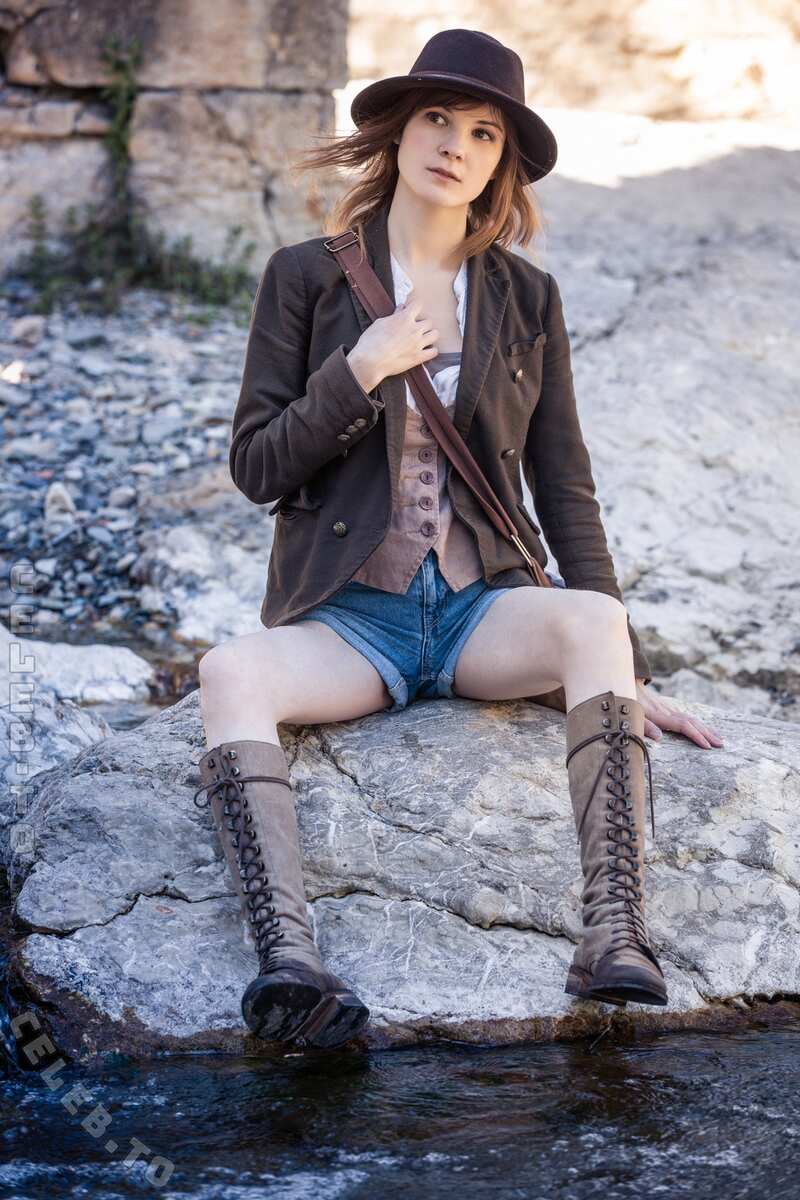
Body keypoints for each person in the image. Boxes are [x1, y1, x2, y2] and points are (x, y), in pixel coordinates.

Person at [193, 29, 724, 1050]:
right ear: (398, 133)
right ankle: (289, 965)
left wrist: (622, 674)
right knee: (229, 672)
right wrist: (360, 368)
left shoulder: (527, 297)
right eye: (436, 119)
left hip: (482, 610)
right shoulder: (303, 277)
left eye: (483, 133)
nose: (454, 145)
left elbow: (563, 485)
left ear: (499, 164)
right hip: (353, 623)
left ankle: (614, 935)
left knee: (594, 622)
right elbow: (257, 467)